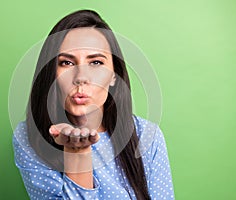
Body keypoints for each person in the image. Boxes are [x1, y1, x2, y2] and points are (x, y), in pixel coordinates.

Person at [13, 9, 174, 200]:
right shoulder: (30, 137)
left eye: (96, 62)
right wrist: (77, 155)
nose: (81, 77)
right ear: (51, 76)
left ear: (114, 76)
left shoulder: (147, 135)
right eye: (67, 63)